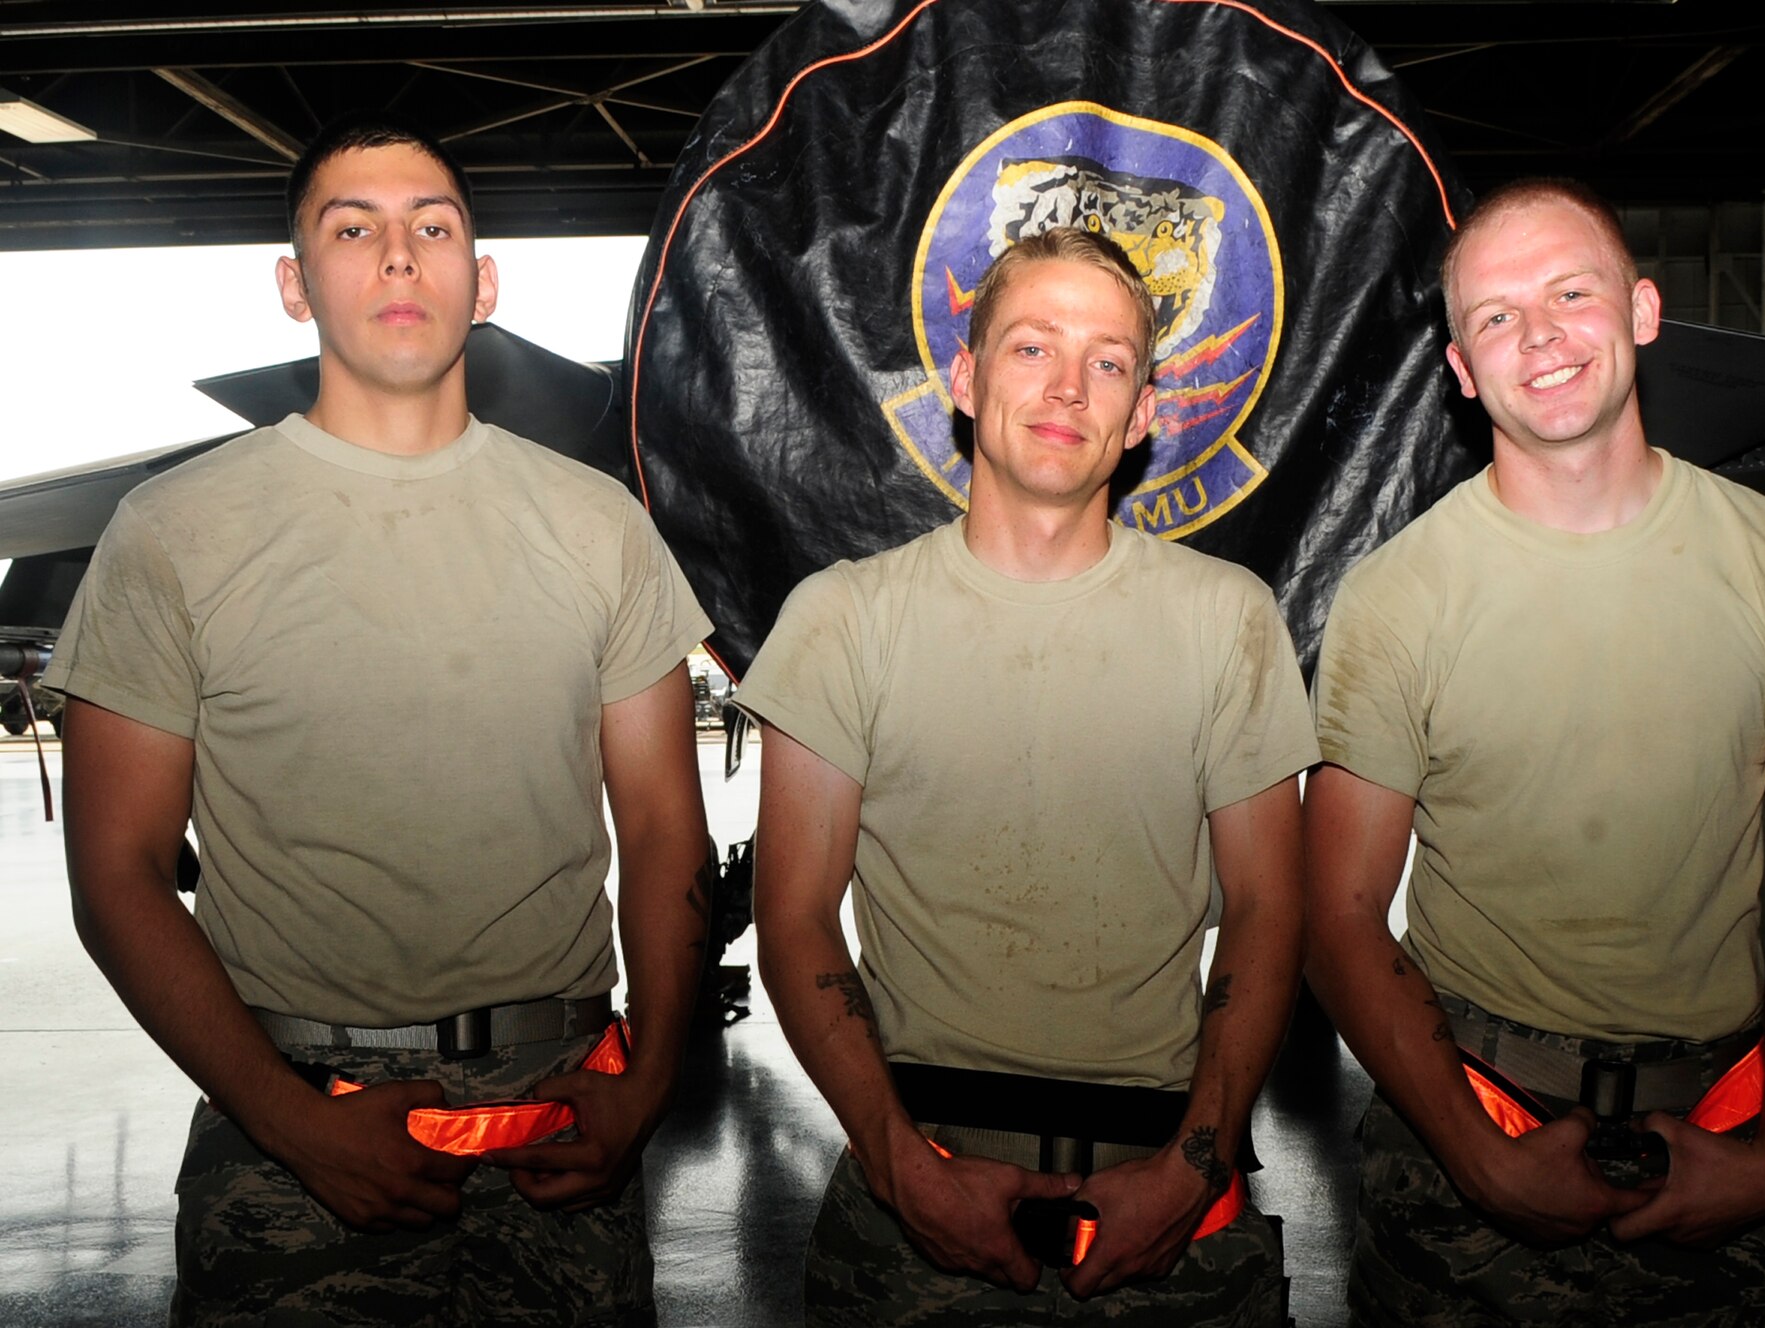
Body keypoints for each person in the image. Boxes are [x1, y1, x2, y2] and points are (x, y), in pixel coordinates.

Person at [47, 115, 713, 1325]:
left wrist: (652, 1077)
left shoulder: (599, 527)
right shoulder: (173, 531)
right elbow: (117, 872)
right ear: (295, 285)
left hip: (561, 1125)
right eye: (353, 230)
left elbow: (667, 827)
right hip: (294, 1125)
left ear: (483, 281)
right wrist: (294, 1124)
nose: (398, 254)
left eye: (432, 227)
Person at [1303, 177, 1765, 1324]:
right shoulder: (1392, 598)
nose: (1538, 333)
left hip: (1725, 1121)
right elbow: (1337, 910)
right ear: (1461, 368)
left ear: (1640, 310)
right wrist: (1476, 1156)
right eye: (1495, 314)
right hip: (1472, 1122)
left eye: (1569, 293)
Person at [734, 227, 1319, 1326]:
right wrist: (903, 1168)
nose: (1068, 387)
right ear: (965, 381)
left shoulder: (1227, 617)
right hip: (914, 1205)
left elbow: (1268, 908)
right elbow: (795, 920)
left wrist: (1192, 1167)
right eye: (1032, 347)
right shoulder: (844, 618)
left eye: (1108, 361)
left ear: (1142, 413)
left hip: (1170, 1197)